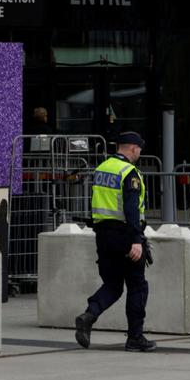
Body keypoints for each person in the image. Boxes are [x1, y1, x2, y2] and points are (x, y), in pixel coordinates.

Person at [75, 131, 155, 351]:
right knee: (138, 286)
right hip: (125, 236)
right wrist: (136, 240)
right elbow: (130, 209)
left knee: (112, 285)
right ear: (132, 148)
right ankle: (135, 338)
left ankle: (89, 315)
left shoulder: (101, 169)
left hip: (103, 236)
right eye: (139, 149)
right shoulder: (129, 172)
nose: (139, 153)